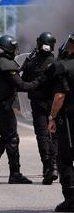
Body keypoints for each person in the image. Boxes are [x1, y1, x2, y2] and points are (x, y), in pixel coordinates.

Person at [0, 35, 43, 184]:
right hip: (2, 106)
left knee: (5, 136)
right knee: (12, 138)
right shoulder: (5, 64)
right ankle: (14, 173)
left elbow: (9, 79)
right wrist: (39, 81)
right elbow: (21, 85)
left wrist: (23, 68)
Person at [21, 32, 58, 185]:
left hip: (38, 104)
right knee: (55, 136)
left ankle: (47, 167)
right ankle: (54, 165)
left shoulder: (31, 63)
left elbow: (22, 82)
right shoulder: (56, 62)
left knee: (42, 135)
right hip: (54, 104)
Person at [47, 34, 74, 212]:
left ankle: (71, 200)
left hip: (70, 120)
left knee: (65, 158)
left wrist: (52, 117)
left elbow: (59, 97)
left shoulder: (63, 67)